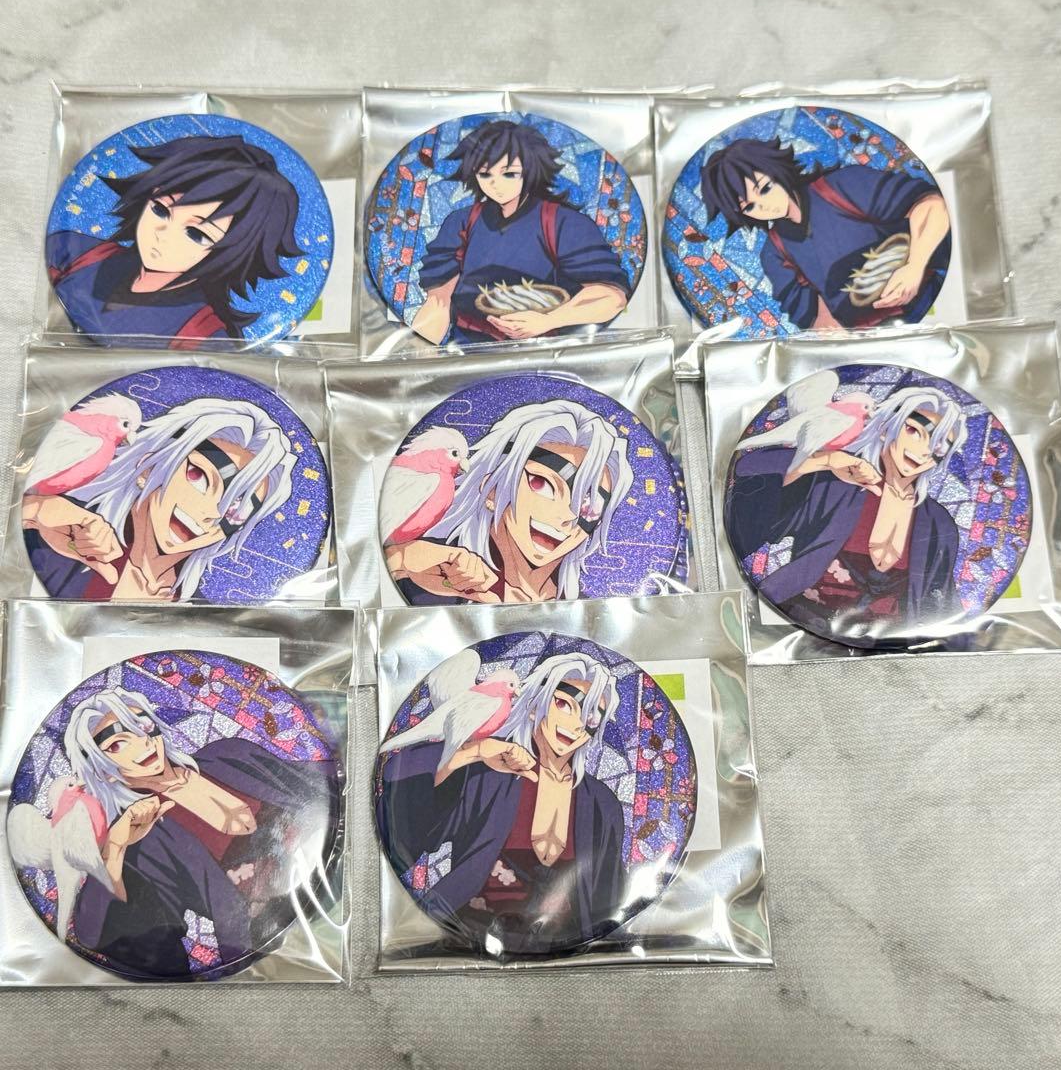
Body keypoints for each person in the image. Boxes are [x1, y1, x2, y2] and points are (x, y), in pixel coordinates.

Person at [49, 686, 335, 979]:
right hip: (281, 944)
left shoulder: (226, 754)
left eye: (141, 725)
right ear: (102, 771)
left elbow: (315, 784)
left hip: (335, 870)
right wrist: (115, 846)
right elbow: (94, 932)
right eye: (117, 745)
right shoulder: (147, 839)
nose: (142, 743)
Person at [376, 651, 625, 954]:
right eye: (564, 704)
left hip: (568, 953)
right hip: (462, 942)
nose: (576, 725)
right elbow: (400, 810)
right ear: (533, 706)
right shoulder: (490, 774)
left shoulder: (602, 805)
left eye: (591, 718)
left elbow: (611, 898)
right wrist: (474, 751)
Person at [725, 386, 967, 641]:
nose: (924, 450)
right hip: (796, 629)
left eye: (939, 446)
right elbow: (748, 467)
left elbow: (943, 603)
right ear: (886, 428)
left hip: (889, 647)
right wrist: (827, 460)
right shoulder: (836, 485)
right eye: (914, 431)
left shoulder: (938, 524)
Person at [23, 397, 295, 601]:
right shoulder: (64, 535)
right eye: (198, 476)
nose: (212, 512)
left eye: (238, 507)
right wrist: (36, 510)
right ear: (148, 468)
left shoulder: (200, 610)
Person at [47, 134, 302, 343]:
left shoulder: (202, 335)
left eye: (196, 234)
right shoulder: (80, 253)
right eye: (160, 210)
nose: (162, 233)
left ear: (237, 252)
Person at [386, 399, 633, 604]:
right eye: (542, 484)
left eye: (590, 504)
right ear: (492, 490)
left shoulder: (587, 608)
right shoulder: (432, 571)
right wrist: (400, 558)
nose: (568, 515)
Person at [412, 120, 630, 344]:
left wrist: (549, 321)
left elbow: (612, 297)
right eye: (485, 174)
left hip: (546, 348)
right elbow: (438, 302)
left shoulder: (565, 223)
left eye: (509, 174)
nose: (495, 184)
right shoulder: (460, 222)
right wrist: (422, 353)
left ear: (530, 169)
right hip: (467, 347)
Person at [700, 136, 951, 330]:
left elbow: (932, 205)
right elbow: (812, 316)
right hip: (871, 336)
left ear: (777, 171)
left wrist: (915, 266)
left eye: (765, 188)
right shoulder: (773, 253)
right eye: (750, 207)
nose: (765, 206)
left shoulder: (843, 185)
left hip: (932, 302)